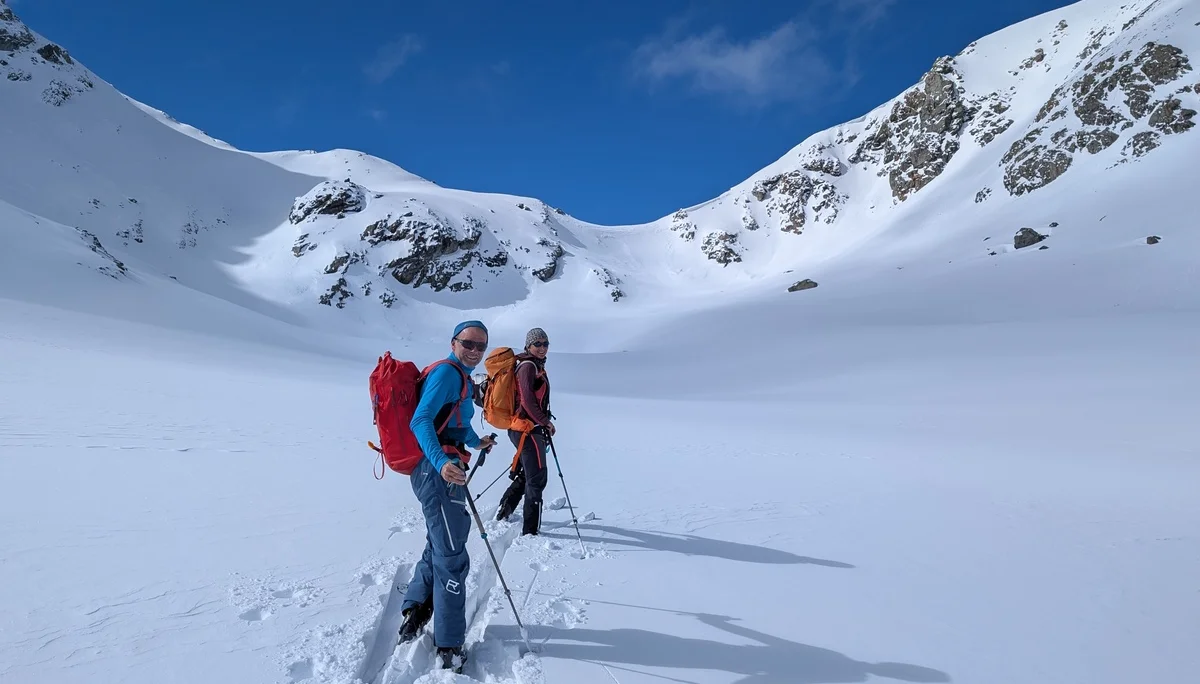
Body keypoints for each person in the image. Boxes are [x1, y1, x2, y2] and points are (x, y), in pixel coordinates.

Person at [397, 320, 497, 671]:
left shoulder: (462, 378)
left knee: (438, 543)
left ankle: (415, 609)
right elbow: (421, 420)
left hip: (441, 467)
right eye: (468, 343)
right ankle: (450, 645)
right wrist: (441, 462)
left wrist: (475, 441)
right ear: (454, 342)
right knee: (453, 556)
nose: (474, 350)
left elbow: (455, 424)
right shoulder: (447, 374)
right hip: (437, 471)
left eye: (480, 346)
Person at [495, 327, 554, 535]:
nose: (542, 348)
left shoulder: (533, 365)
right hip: (526, 428)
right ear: (528, 346)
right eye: (537, 344)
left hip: (525, 428)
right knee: (537, 477)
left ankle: (504, 510)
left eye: (545, 343)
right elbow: (528, 401)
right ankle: (530, 530)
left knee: (527, 473)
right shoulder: (528, 366)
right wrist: (545, 421)